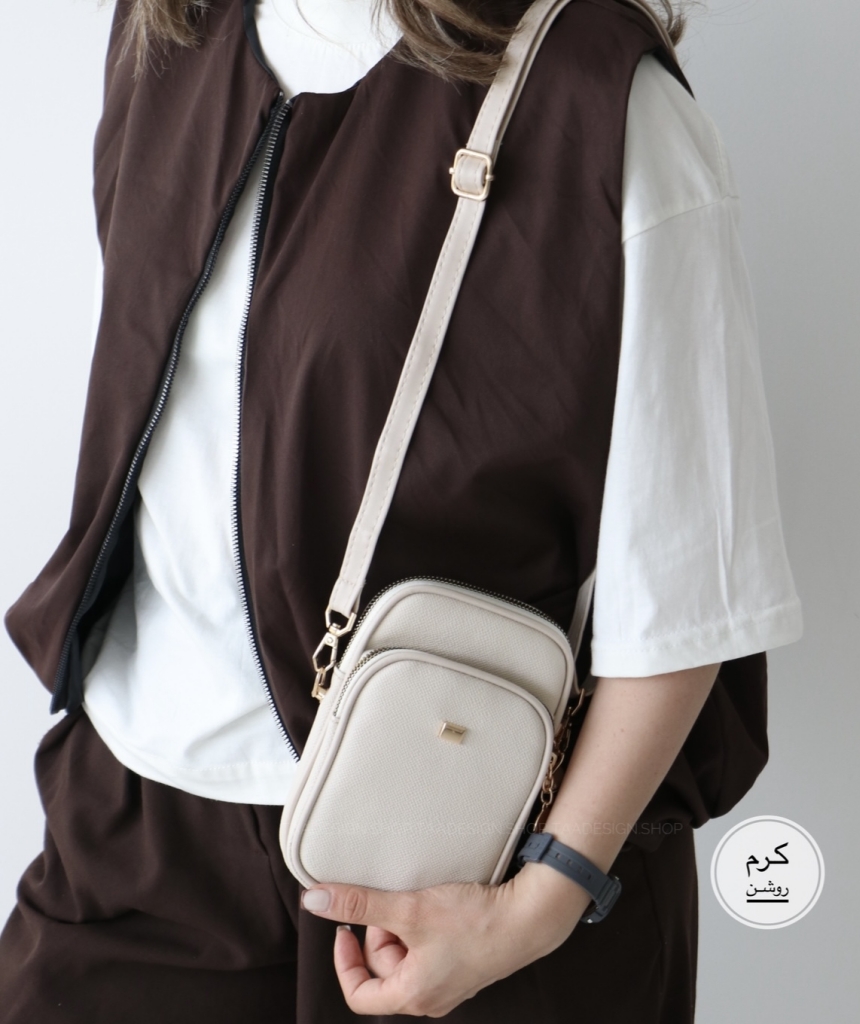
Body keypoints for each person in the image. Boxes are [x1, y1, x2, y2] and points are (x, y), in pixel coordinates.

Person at [0, 0, 802, 1019]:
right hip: (144, 819)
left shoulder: (601, 104)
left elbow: (686, 597)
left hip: (464, 860)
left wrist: (541, 903)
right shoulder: (172, 28)